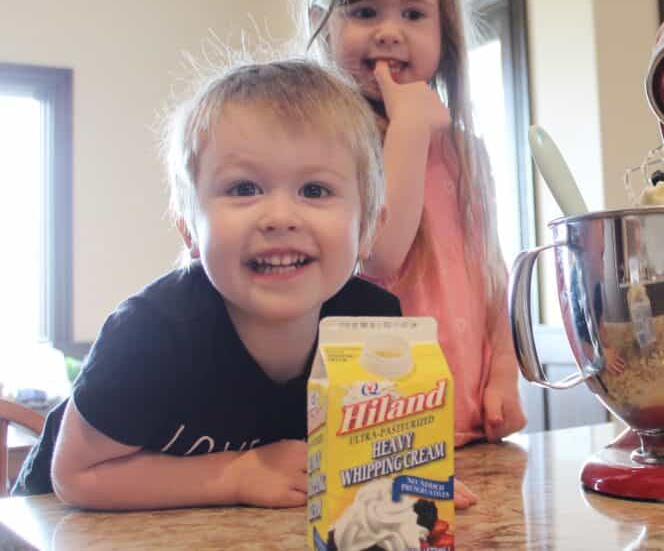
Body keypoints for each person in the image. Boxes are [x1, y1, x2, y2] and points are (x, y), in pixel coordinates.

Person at [13, 59, 406, 510]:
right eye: (243, 189)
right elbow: (76, 476)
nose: (279, 218)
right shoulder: (150, 334)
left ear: (369, 228)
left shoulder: (373, 326)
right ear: (188, 230)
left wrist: (400, 484)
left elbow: (366, 454)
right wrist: (239, 474)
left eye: (315, 190)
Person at [302, 0, 526, 449]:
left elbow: (491, 274)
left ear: (444, 33)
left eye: (413, 13)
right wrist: (407, 128)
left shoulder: (466, 152)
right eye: (364, 10)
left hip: (468, 429)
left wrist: (503, 374)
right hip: (375, 434)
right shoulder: (324, 143)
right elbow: (378, 257)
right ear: (323, 22)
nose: (388, 30)